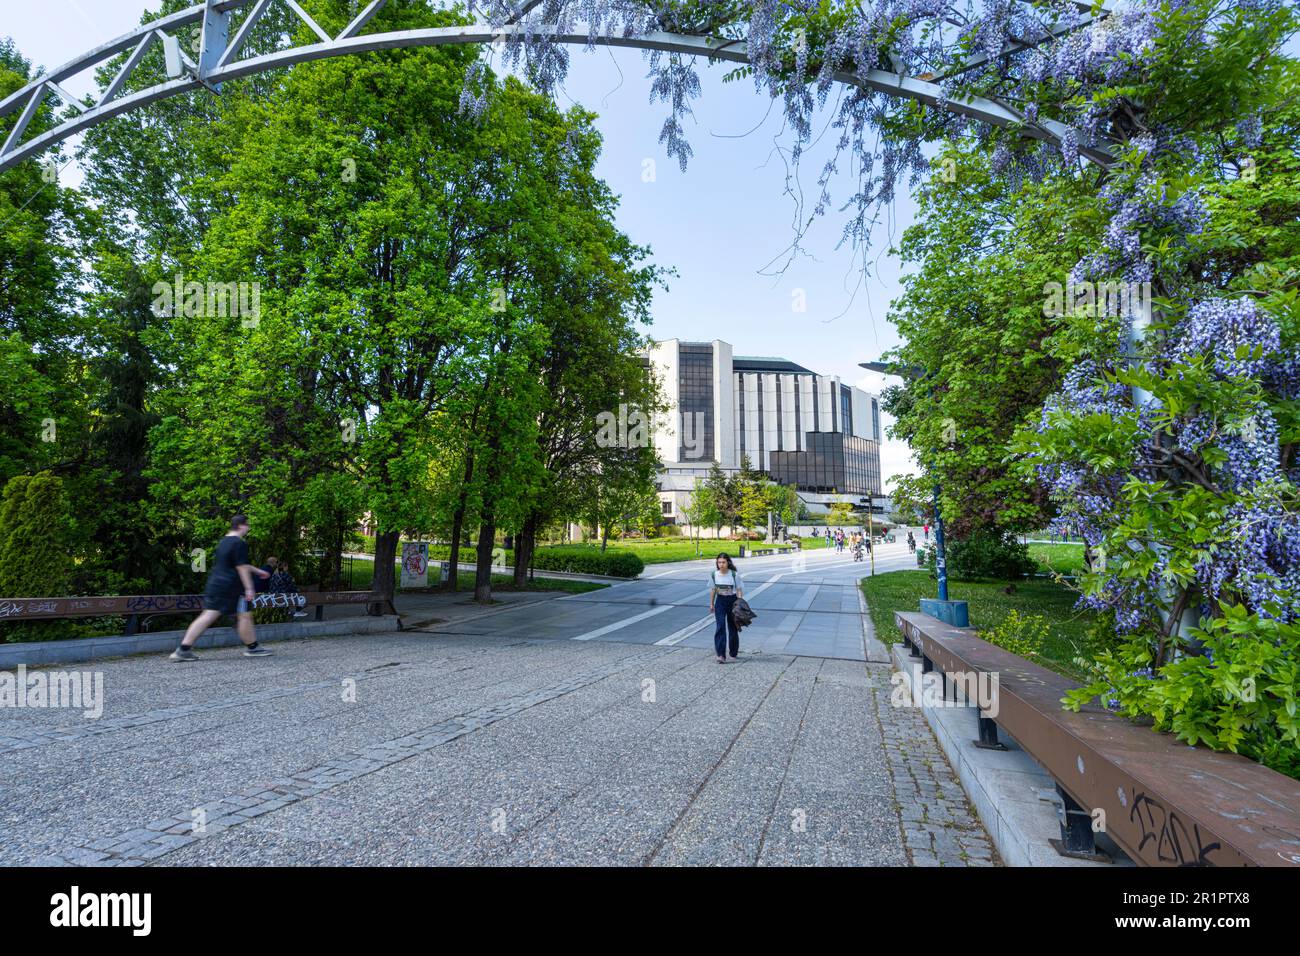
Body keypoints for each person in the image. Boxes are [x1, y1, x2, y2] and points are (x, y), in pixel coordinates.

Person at [170, 514, 273, 661]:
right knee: (244, 615)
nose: (248, 529)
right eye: (247, 525)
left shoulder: (223, 542)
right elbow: (241, 567)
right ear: (242, 525)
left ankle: (183, 649)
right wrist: (249, 588)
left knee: (208, 615)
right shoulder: (239, 543)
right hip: (232, 588)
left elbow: (235, 563)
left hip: (216, 585)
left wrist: (257, 571)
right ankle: (253, 648)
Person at [708, 552, 744, 664]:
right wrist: (711, 604)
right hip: (720, 602)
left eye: (723, 562)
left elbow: (739, 589)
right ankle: (720, 655)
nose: (721, 564)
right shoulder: (714, 574)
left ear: (728, 562)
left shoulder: (734, 574)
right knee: (720, 627)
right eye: (719, 562)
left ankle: (733, 652)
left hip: (732, 601)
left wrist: (739, 603)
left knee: (732, 628)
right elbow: (713, 589)